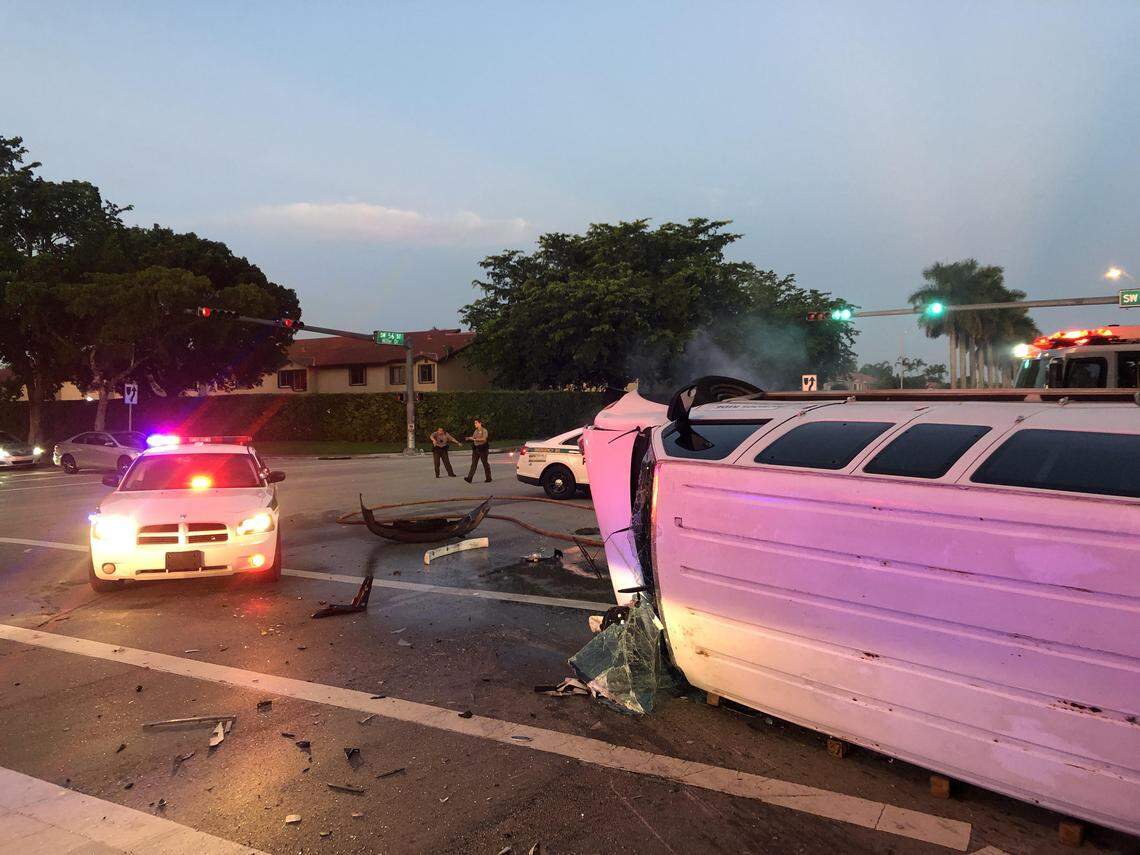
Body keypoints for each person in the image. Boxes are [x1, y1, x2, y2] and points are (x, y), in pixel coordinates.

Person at [464, 418, 491, 483]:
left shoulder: (484, 430)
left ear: (480, 423)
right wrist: (469, 438)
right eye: (474, 423)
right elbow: (474, 438)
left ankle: (488, 478)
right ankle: (469, 478)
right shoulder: (475, 431)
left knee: (485, 463)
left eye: (476, 423)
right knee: (473, 464)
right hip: (476, 449)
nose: (475, 424)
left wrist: (475, 439)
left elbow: (484, 439)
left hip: (483, 449)